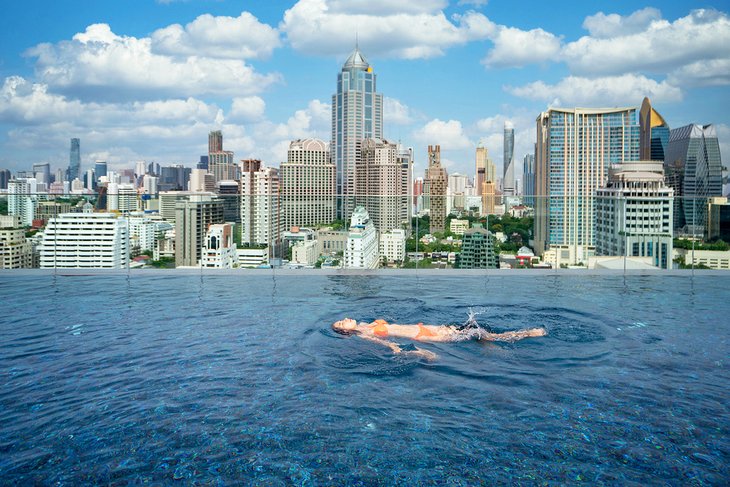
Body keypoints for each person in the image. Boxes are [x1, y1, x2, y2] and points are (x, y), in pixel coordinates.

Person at [332, 317, 546, 361]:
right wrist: (417, 352)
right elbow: (388, 344)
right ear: (346, 332)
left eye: (341, 319)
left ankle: (489, 346)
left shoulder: (369, 324)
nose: (343, 320)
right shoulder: (365, 333)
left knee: (473, 330)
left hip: (428, 328)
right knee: (478, 332)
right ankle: (527, 334)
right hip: (427, 336)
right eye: (341, 324)